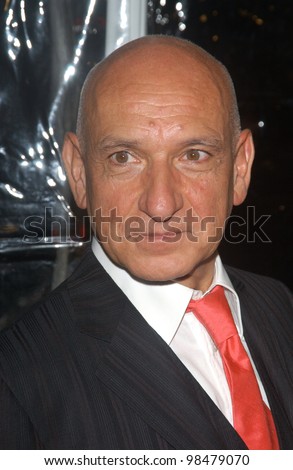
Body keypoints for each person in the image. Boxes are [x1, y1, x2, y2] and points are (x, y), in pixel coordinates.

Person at [0, 35, 292, 450]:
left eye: (194, 154)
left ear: (240, 167)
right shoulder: (17, 380)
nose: (159, 203)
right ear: (80, 175)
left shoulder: (278, 306)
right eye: (124, 157)